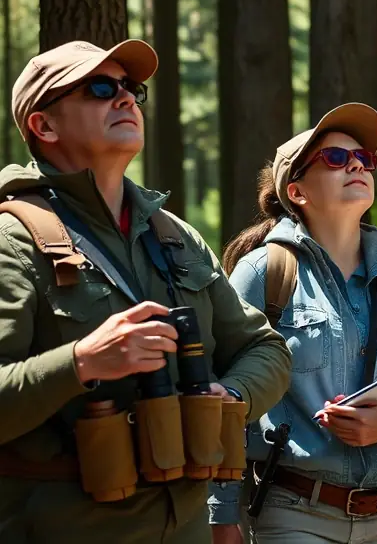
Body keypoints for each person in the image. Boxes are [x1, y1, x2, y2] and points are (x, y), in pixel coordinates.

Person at [0, 40, 292, 543]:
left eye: (133, 89)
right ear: (44, 126)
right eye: (99, 88)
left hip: (187, 527)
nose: (126, 99)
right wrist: (82, 361)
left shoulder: (173, 233)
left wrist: (232, 395)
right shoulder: (12, 242)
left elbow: (265, 347)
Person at [209, 104, 377, 544]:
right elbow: (224, 406)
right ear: (298, 191)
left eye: (364, 159)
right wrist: (222, 514)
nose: (357, 165)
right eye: (336, 158)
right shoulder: (263, 274)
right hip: (294, 513)